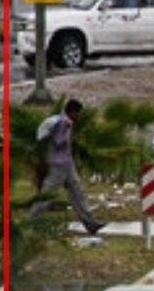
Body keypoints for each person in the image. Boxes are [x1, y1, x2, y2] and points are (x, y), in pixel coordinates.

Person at [29, 99, 105, 236]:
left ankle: (91, 224)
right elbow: (58, 142)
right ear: (72, 112)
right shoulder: (62, 123)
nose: (79, 116)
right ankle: (32, 222)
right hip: (57, 165)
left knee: (78, 193)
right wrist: (67, 130)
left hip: (68, 164)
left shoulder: (66, 123)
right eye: (78, 113)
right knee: (47, 195)